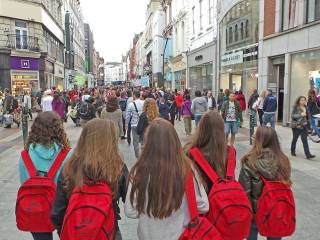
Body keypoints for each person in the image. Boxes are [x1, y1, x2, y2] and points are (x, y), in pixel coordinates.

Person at [125, 118, 209, 240]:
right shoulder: (187, 169)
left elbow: (130, 210)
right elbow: (203, 205)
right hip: (180, 234)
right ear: (174, 141)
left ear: (148, 143)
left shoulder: (139, 170)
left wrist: (149, 211)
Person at [51, 119, 128, 240]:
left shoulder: (69, 168)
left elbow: (57, 212)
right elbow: (130, 202)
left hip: (75, 231)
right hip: (108, 232)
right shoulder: (118, 167)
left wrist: (65, 233)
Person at [18, 112, 71, 240]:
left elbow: (24, 183)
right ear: (58, 129)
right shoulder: (67, 155)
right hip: (62, 209)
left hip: (36, 209)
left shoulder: (25, 156)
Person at [239, 126, 292, 240]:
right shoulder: (284, 161)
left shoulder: (249, 162)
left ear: (260, 140)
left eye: (255, 135)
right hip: (276, 210)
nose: (252, 137)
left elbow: (244, 193)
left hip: (255, 212)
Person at [126, 90, 144, 158]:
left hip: (134, 125)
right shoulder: (144, 103)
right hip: (142, 125)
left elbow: (127, 116)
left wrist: (127, 124)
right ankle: (143, 155)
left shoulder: (131, 104)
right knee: (143, 140)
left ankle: (138, 157)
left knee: (135, 142)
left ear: (134, 95)